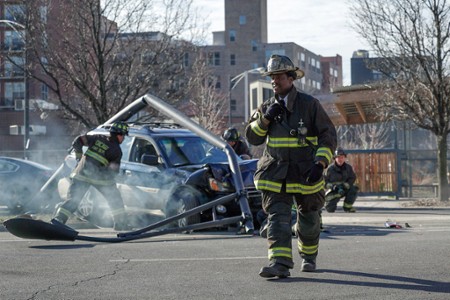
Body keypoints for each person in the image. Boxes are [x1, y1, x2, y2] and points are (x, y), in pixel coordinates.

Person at [245, 54, 337, 278]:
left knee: (308, 219)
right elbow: (252, 138)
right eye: (271, 77)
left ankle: (308, 256)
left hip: (305, 173)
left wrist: (320, 163)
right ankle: (280, 263)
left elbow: (328, 136)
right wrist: (265, 119)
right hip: (276, 173)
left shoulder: (309, 105)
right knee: (277, 216)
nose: (274, 81)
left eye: (278, 76)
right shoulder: (266, 107)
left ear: (291, 77)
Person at [52, 121, 131, 231]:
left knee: (73, 200)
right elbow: (113, 171)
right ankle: (121, 224)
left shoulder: (97, 138)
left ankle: (58, 220)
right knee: (115, 200)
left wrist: (79, 157)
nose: (123, 139)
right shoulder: (116, 150)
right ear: (119, 135)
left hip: (81, 175)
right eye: (123, 136)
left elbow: (77, 141)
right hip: (100, 180)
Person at [324, 147, 359, 213]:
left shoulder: (348, 168)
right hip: (333, 191)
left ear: (345, 158)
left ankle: (347, 207)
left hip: (345, 188)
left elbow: (352, 177)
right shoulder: (330, 169)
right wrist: (331, 186)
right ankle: (330, 204)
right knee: (330, 210)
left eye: (342, 157)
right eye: (338, 157)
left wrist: (346, 184)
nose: (340, 159)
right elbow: (324, 181)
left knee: (354, 189)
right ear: (335, 159)